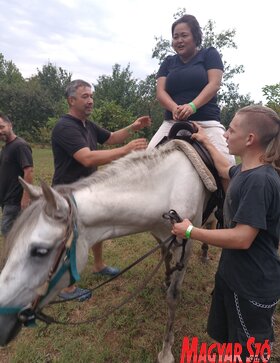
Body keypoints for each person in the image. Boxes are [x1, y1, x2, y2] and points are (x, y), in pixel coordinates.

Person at [172, 105, 280, 361]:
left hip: (252, 285)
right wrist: (204, 139)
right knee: (231, 344)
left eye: (231, 130)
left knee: (252, 354)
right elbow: (224, 169)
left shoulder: (260, 181)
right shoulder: (246, 171)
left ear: (250, 139)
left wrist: (191, 231)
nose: (226, 135)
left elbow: (242, 238)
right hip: (234, 276)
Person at [51, 79, 151, 301]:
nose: (90, 100)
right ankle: (66, 289)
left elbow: (111, 137)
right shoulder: (65, 127)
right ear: (71, 100)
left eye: (91, 96)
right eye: (85, 96)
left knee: (96, 227)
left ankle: (98, 265)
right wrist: (126, 150)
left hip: (88, 190)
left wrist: (132, 127)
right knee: (69, 239)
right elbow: (86, 158)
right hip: (68, 193)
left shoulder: (87, 125)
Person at [148, 14, 234, 165]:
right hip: (172, 123)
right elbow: (161, 93)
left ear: (195, 37)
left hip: (206, 122)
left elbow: (214, 84)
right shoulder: (168, 62)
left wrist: (192, 106)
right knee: (146, 161)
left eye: (184, 35)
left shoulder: (209, 54)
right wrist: (174, 108)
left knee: (228, 163)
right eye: (175, 37)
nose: (179, 40)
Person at [0, 113, 33, 237]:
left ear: (10, 125)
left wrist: (25, 198)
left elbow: (29, 171)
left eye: (2, 127)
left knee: (9, 233)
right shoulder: (6, 148)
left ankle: (10, 256)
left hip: (15, 201)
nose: (0, 131)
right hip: (7, 199)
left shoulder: (20, 146)